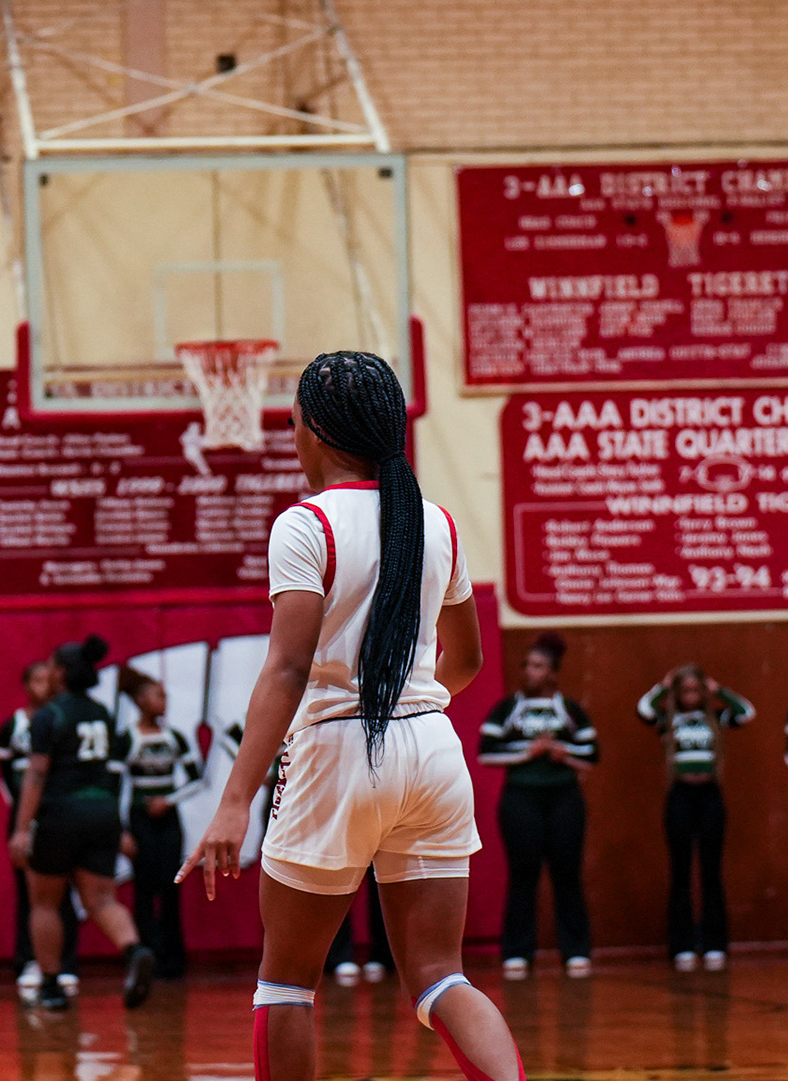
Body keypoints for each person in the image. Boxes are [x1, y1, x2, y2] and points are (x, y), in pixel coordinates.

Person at [179, 351, 526, 1081]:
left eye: (292, 424)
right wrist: (408, 714)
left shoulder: (306, 524)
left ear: (318, 431)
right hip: (433, 748)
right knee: (439, 976)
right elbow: (466, 659)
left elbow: (287, 668)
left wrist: (234, 802)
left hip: (336, 751)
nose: (291, 438)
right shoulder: (438, 523)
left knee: (286, 982)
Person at [8, 635, 155, 1011]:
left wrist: (22, 829)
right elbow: (112, 773)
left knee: (45, 902)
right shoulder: (102, 714)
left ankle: (51, 986)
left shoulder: (48, 716)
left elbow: (36, 775)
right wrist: (118, 825)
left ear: (60, 673)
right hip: (101, 812)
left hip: (60, 812)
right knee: (102, 900)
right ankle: (135, 950)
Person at [477, 632, 597, 980]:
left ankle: (576, 952)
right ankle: (517, 952)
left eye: (538, 666)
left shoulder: (569, 709)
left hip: (564, 799)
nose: (529, 671)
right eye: (527, 665)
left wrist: (563, 752)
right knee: (523, 875)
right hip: (521, 799)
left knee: (567, 874)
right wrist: (526, 752)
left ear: (552, 673)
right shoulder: (507, 709)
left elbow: (592, 755)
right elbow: (486, 753)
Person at [637, 664, 753, 972]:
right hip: (680, 796)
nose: (691, 695)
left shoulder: (714, 717)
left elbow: (746, 713)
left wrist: (718, 690)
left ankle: (715, 944)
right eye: (684, 690)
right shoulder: (668, 719)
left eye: (696, 689)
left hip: (710, 796)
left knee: (712, 871)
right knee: (681, 871)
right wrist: (663, 686)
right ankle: (683, 946)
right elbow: (644, 710)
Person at [0, 660, 82, 1001]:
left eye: (49, 679)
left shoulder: (63, 720)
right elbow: (6, 774)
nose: (44, 685)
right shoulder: (12, 726)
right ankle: (30, 960)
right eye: (37, 680)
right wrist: (22, 814)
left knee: (64, 889)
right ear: (26, 685)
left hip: (59, 815)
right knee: (28, 891)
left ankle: (65, 963)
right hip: (26, 815)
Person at [116, 668, 203, 979]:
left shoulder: (174, 737)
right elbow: (114, 786)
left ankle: (173, 959)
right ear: (140, 700)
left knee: (170, 885)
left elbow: (196, 779)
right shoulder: (128, 739)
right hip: (139, 820)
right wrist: (121, 830)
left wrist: (169, 800)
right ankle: (145, 957)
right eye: (158, 696)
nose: (164, 702)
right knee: (143, 888)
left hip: (168, 820)